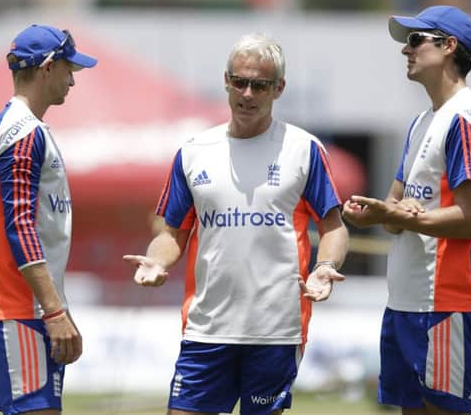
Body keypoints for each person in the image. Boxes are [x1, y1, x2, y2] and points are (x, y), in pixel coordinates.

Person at [124, 33, 349, 415]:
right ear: (225, 80)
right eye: (239, 82)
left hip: (277, 331)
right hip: (206, 327)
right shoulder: (194, 152)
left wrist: (324, 268)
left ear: (279, 88)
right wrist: (157, 262)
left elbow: (334, 227)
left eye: (259, 85)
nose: (247, 93)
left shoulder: (303, 149)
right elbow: (173, 233)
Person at [342, 6, 471, 415]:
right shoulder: (420, 122)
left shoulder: (466, 119)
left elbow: (468, 219)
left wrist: (392, 216)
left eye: (415, 40)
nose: (405, 50)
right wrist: (376, 213)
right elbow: (394, 209)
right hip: (405, 300)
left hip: (444, 302)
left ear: (449, 47)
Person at [0, 24, 97, 415]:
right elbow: (21, 225)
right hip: (19, 305)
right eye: (68, 69)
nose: (72, 81)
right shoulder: (23, 132)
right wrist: (54, 310)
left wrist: (55, 303)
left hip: (27, 306)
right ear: (47, 68)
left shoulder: (25, 128)